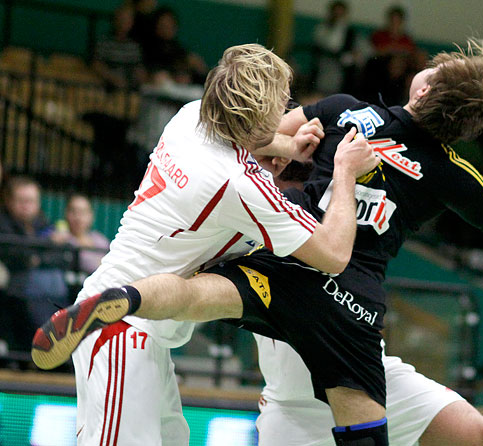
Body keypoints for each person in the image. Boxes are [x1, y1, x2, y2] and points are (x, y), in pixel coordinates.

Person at [34, 41, 483, 446]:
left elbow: (273, 135)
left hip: (283, 283)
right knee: (473, 436)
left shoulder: (341, 111)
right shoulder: (450, 175)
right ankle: (127, 303)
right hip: (347, 304)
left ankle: (128, 296)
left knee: (205, 296)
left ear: (422, 93)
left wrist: (299, 148)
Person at [32, 43, 379, 446]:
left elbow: (246, 143)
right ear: (259, 113)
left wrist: (287, 145)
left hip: (143, 330)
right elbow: (333, 255)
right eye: (281, 105)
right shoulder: (242, 187)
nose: (288, 110)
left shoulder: (189, 116)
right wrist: (346, 172)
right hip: (123, 332)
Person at [0, 176, 70, 329]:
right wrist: (48, 244)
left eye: (31, 201)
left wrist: (37, 258)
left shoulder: (43, 222)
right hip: (20, 287)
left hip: (51, 289)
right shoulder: (3, 222)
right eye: (21, 201)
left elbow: (63, 258)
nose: (27, 206)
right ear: (9, 201)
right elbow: (15, 255)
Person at [50, 194, 110, 275]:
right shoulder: (59, 238)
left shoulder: (100, 240)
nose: (78, 217)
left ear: (91, 216)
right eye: (73, 211)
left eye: (83, 212)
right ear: (66, 213)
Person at [92, 6, 146, 90]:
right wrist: (112, 78)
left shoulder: (134, 46)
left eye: (128, 20)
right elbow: (97, 65)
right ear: (115, 20)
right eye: (122, 19)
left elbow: (139, 68)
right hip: (108, 87)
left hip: (130, 89)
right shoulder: (104, 42)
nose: (124, 22)